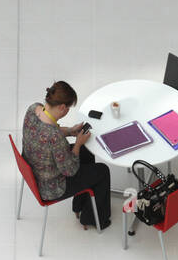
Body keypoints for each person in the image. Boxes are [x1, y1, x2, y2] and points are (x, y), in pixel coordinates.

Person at [21, 80, 111, 230]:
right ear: (62, 107)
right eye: (68, 108)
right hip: (51, 186)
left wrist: (70, 131)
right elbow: (70, 170)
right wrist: (77, 144)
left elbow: (46, 129)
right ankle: (93, 219)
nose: (68, 110)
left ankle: (80, 204)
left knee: (86, 152)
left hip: (35, 164)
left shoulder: (33, 109)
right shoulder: (54, 136)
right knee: (102, 171)